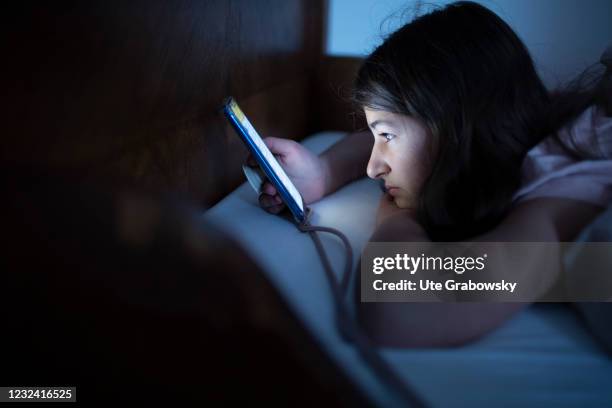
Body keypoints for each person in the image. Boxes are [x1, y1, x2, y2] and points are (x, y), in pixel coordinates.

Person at [247, 1, 612, 347]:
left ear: (455, 127)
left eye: (386, 136)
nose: (374, 168)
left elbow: (400, 311)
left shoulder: (565, 184)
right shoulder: (525, 126)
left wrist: (397, 218)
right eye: (378, 136)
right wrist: (323, 170)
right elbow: (408, 136)